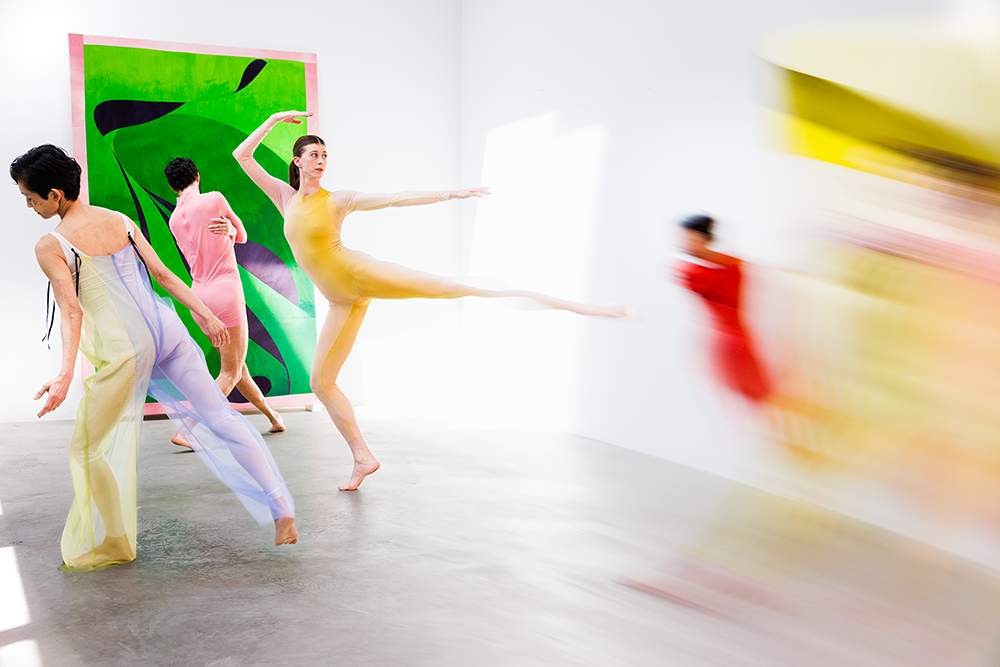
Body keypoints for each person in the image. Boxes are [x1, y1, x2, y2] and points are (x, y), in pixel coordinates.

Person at [234, 110, 629, 491]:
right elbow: (243, 155)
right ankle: (362, 457)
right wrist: (273, 122)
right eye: (314, 155)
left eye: (325, 156)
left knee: (449, 286)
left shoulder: (337, 200)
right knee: (321, 382)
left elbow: (395, 198)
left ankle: (581, 306)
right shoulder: (285, 198)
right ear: (297, 161)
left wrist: (450, 194)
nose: (321, 161)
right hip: (340, 300)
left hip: (359, 274)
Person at [12, 144, 297, 572]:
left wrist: (66, 373)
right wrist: (205, 317)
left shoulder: (50, 243)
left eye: (30, 198)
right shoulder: (120, 220)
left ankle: (116, 542)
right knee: (222, 416)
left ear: (55, 195)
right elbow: (164, 275)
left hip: (128, 349)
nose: (30, 206)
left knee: (86, 449)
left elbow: (71, 310)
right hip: (169, 331)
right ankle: (280, 506)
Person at [164, 157, 285, 447]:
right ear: (197, 175)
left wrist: (227, 234)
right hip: (225, 291)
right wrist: (230, 232)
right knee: (229, 372)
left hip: (199, 297)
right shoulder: (213, 199)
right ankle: (187, 429)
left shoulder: (173, 219)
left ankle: (273, 417)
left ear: (171, 186)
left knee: (236, 366)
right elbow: (241, 235)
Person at [676, 214, 771, 404]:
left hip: (735, 342)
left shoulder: (699, 270)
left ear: (704, 238)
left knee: (759, 396)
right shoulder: (692, 271)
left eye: (688, 238)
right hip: (726, 341)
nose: (682, 243)